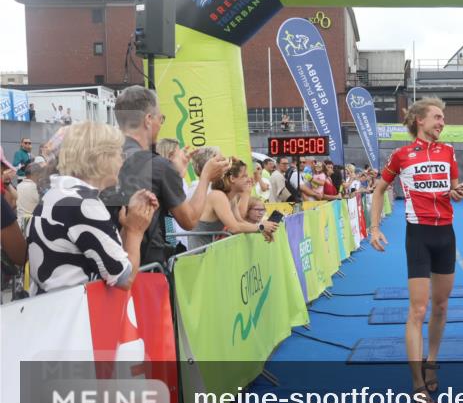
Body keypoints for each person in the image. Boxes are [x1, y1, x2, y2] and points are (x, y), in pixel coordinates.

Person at [369, 97, 463, 403]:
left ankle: (431, 361)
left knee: (440, 305)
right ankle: (417, 383)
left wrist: (456, 192)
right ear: (419, 121)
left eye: (443, 118)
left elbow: (454, 189)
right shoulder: (401, 155)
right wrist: (374, 228)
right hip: (419, 234)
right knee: (418, 309)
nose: (442, 122)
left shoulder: (449, 151)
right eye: (437, 117)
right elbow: (379, 189)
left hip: (445, 234)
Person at [25, 122, 157, 294]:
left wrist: (128, 226)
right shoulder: (84, 204)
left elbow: (109, 258)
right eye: (118, 153)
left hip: (56, 310)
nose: (122, 160)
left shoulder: (57, 194)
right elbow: (124, 278)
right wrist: (135, 231)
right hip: (78, 314)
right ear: (101, 157)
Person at [113, 86, 228, 266]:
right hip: (145, 267)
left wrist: (176, 174)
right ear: (148, 120)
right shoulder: (158, 166)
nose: (161, 124)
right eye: (161, 118)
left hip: (104, 269)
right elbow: (189, 220)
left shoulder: (101, 160)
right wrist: (205, 177)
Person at [188, 158, 278, 250]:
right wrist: (261, 227)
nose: (249, 180)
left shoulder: (232, 198)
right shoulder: (218, 196)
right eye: (244, 176)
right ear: (232, 178)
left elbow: (240, 221)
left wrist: (262, 230)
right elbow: (234, 228)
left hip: (209, 253)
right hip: (198, 256)